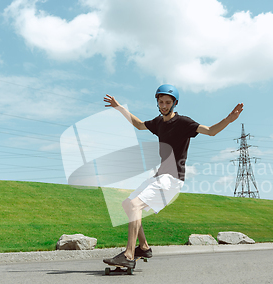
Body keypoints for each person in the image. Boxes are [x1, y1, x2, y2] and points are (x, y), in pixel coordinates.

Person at [103, 84, 243, 269]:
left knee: (135, 205)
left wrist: (228, 119)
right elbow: (138, 125)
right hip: (159, 175)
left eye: (168, 102)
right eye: (161, 102)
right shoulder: (158, 123)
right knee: (127, 204)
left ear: (174, 103)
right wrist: (119, 107)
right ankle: (143, 247)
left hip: (172, 179)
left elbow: (210, 131)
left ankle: (128, 255)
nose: (163, 105)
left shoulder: (184, 123)